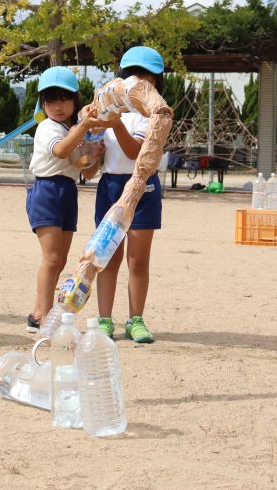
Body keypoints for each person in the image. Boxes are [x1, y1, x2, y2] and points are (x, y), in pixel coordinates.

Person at [93, 46, 166, 343]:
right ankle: (104, 320)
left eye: (148, 78)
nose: (141, 84)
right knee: (107, 257)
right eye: (134, 77)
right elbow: (90, 156)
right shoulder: (108, 109)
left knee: (137, 260)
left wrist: (116, 124)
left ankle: (135, 319)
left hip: (143, 188)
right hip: (110, 187)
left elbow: (138, 153)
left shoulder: (155, 115)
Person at [25, 66, 102, 333]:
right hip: (46, 190)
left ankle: (37, 314)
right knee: (52, 259)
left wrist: (96, 150)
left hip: (68, 192)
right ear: (42, 103)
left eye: (64, 99)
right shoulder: (48, 127)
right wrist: (83, 129)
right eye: (50, 100)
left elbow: (88, 171)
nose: (57, 106)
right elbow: (59, 151)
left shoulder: (75, 130)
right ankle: (46, 319)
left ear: (74, 100)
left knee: (60, 259)